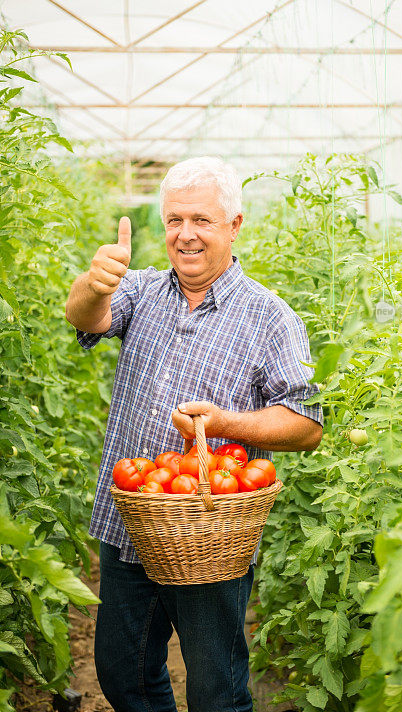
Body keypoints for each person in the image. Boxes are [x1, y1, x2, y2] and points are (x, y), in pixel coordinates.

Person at [65, 156, 323, 712]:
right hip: (131, 520)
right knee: (121, 670)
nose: (186, 234)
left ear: (234, 225)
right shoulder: (140, 292)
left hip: (210, 531)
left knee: (215, 689)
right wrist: (95, 281)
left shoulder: (270, 318)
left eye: (202, 220)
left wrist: (224, 423)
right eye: (175, 219)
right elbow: (86, 316)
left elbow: (306, 424)